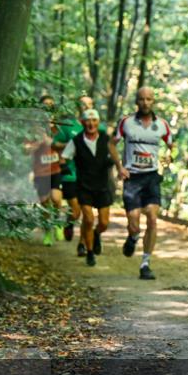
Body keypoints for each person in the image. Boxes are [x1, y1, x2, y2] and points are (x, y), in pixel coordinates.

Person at [115, 87, 173, 280]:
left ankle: (145, 263)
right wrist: (119, 167)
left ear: (153, 102)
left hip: (151, 177)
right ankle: (132, 237)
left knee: (152, 218)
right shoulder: (126, 123)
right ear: (137, 102)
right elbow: (111, 144)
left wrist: (169, 155)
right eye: (142, 99)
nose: (145, 103)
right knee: (134, 223)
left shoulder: (162, 125)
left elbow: (171, 146)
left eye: (149, 99)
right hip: (132, 177)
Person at [59, 109, 125, 267]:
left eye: (94, 120)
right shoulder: (76, 141)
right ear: (82, 123)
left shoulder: (105, 139)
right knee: (88, 219)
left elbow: (114, 153)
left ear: (98, 122)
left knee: (103, 223)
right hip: (84, 186)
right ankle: (89, 252)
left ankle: (96, 235)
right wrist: (64, 169)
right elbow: (63, 158)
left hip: (102, 186)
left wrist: (119, 167)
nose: (91, 124)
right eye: (87, 121)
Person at [53, 95, 106, 255]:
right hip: (71, 175)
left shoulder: (99, 128)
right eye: (83, 104)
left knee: (87, 214)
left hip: (90, 178)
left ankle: (83, 243)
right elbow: (54, 144)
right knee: (76, 213)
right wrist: (72, 144)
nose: (86, 107)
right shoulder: (68, 126)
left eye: (90, 104)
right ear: (78, 107)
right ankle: (69, 222)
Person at [27, 95, 64, 246]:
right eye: (44, 106)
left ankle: (58, 224)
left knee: (55, 199)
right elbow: (26, 150)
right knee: (44, 203)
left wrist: (52, 142)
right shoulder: (33, 129)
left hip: (55, 169)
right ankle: (48, 230)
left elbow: (66, 144)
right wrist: (38, 143)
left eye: (50, 105)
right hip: (40, 172)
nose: (47, 108)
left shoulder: (58, 127)